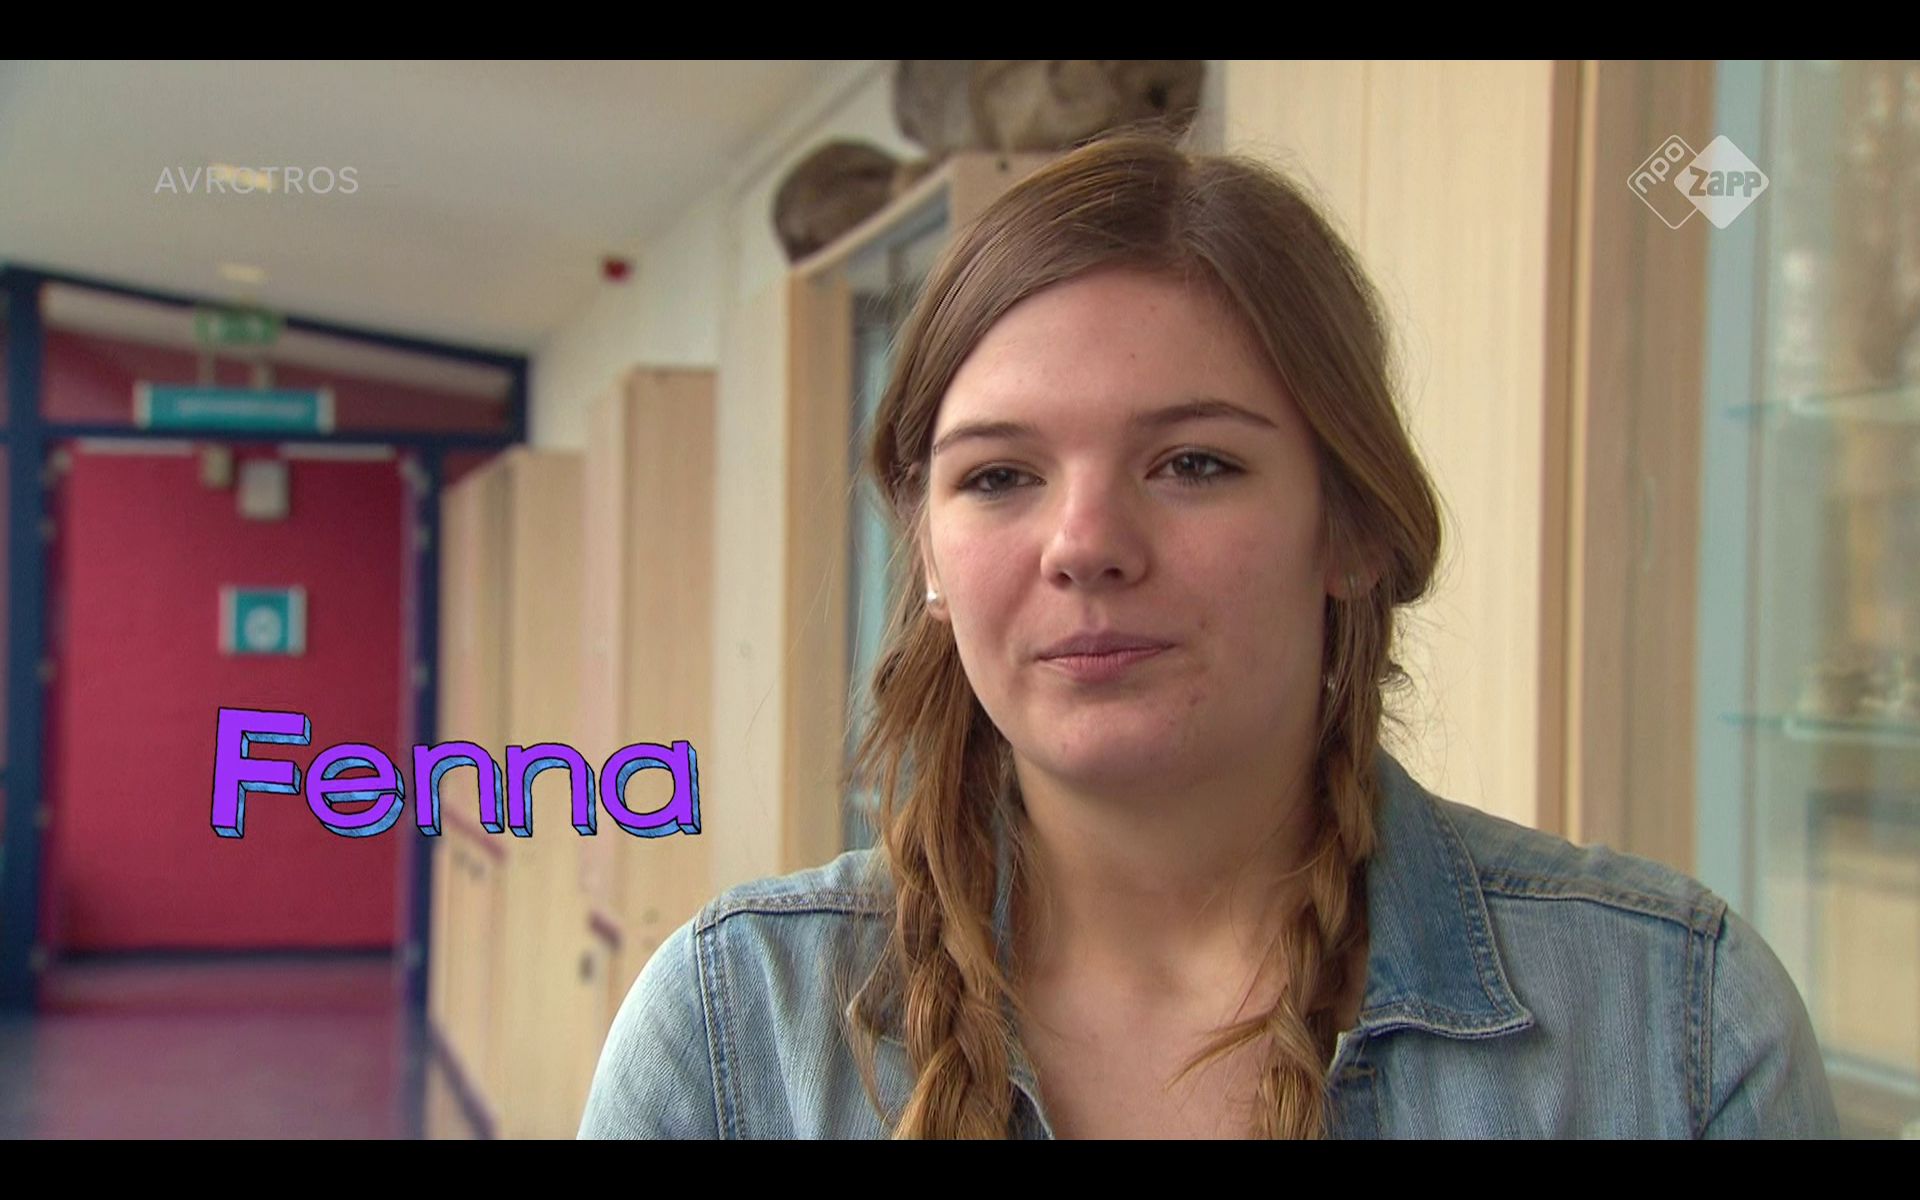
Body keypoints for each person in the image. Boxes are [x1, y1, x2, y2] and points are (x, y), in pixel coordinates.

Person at [577, 130, 1840, 1139]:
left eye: (1193, 462)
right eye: (999, 476)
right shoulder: (735, 1031)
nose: (1084, 543)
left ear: (1352, 528)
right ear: (931, 561)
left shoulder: (1672, 1024)